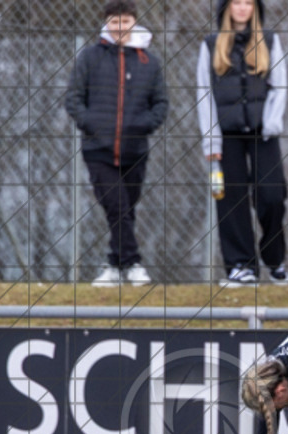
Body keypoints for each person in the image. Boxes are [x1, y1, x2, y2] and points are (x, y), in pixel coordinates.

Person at [66, 0, 168, 288]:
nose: (119, 27)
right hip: (98, 150)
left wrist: (144, 125)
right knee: (116, 205)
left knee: (126, 210)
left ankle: (114, 264)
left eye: (124, 21)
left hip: (135, 150)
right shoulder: (90, 57)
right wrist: (92, 125)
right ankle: (133, 262)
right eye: (114, 22)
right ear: (106, 24)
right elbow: (73, 98)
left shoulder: (149, 61)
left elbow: (161, 103)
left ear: (133, 22)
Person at [196, 0, 288, 288]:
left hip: (264, 133)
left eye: (248, 2)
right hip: (227, 137)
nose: (242, 8)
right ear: (227, 8)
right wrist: (211, 139)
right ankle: (240, 266)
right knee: (230, 200)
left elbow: (280, 84)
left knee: (272, 196)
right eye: (236, 2)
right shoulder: (211, 45)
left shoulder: (269, 41)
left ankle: (274, 261)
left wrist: (272, 122)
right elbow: (204, 92)